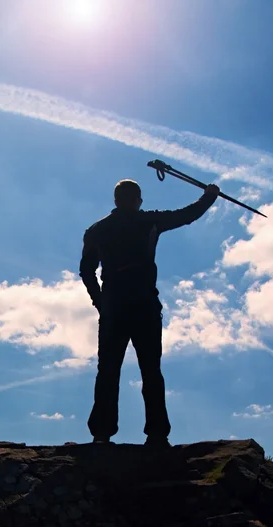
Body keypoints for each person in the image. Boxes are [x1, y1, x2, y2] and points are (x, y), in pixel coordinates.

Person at [79, 178, 220, 447]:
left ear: (116, 200)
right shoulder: (148, 221)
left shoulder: (97, 230)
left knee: (108, 370)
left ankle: (102, 432)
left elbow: (86, 271)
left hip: (114, 306)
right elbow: (186, 216)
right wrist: (209, 196)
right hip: (143, 304)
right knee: (151, 370)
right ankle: (156, 433)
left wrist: (100, 302)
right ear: (137, 200)